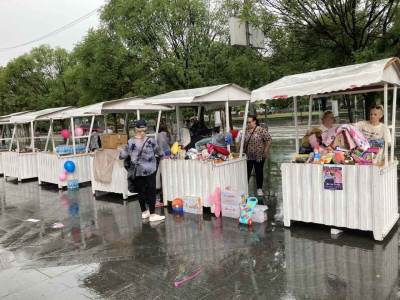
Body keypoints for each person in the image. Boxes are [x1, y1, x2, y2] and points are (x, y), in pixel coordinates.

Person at [119, 120, 165, 223]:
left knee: (141, 191)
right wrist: (162, 156)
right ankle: (152, 214)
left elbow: (122, 156)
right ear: (145, 129)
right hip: (150, 170)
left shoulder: (131, 141)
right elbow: (160, 152)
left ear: (135, 130)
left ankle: (144, 212)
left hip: (137, 170)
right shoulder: (151, 140)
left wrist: (123, 151)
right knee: (151, 191)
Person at [243, 115, 272, 197]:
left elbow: (269, 139)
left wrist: (266, 150)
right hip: (248, 156)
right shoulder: (246, 131)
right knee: (247, 172)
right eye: (247, 122)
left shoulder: (260, 130)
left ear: (254, 121)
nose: (248, 124)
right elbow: (243, 142)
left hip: (259, 156)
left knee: (258, 172)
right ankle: (245, 188)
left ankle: (259, 189)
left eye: (249, 122)